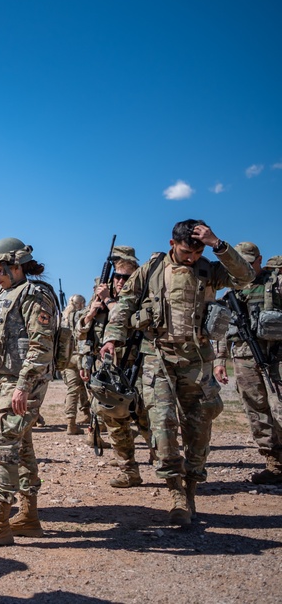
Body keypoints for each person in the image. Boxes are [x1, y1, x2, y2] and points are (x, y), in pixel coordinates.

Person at [101, 220, 253, 526]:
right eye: (186, 251)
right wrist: (111, 336)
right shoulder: (152, 268)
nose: (192, 257)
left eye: (197, 252)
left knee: (199, 426)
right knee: (162, 425)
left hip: (197, 358)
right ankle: (175, 493)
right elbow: (126, 302)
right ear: (173, 244)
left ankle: (192, 487)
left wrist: (217, 244)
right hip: (158, 354)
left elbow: (245, 276)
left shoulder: (210, 268)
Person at [0, 238, 58, 548]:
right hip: (1, 382)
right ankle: (29, 517)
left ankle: (0, 521)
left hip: (22, 384)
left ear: (17, 266)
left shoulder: (36, 296)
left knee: (3, 448)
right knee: (22, 445)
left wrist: (23, 385)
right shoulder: (1, 295)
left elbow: (40, 345)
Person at [77, 248, 154, 487]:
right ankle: (128, 470)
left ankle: (164, 462)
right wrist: (91, 313)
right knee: (114, 421)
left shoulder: (142, 298)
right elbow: (84, 334)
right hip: (111, 371)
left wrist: (110, 302)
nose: (120, 281)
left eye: (125, 277)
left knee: (147, 420)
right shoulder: (99, 302)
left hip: (138, 367)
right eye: (117, 276)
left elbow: (134, 323)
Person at [214, 243, 282, 484]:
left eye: (250, 262)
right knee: (256, 408)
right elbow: (221, 328)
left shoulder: (275, 283)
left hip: (277, 354)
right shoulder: (232, 290)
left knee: (279, 407)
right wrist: (220, 360)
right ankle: (274, 464)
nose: (245, 268)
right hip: (244, 355)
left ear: (260, 259)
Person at [59, 294, 87, 434]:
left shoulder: (62, 318)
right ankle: (96, 424)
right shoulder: (82, 315)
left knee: (73, 389)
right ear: (81, 304)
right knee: (91, 388)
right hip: (82, 355)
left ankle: (71, 423)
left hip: (66, 357)